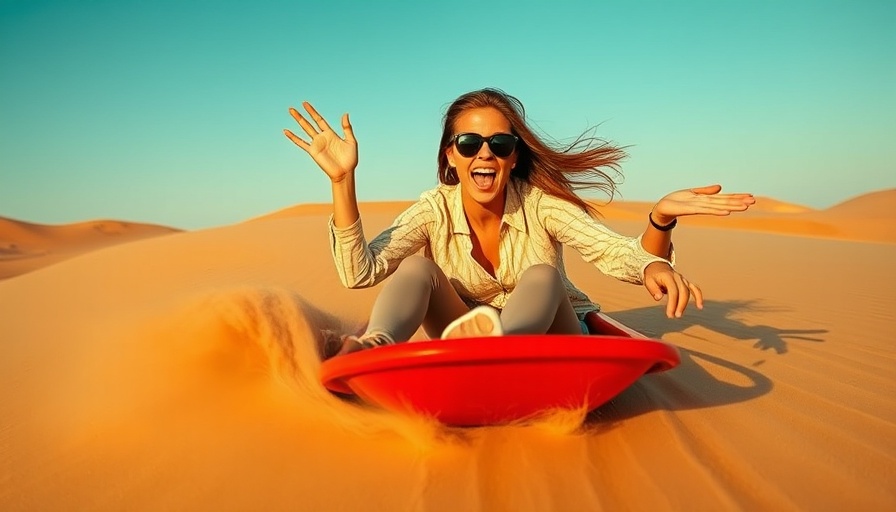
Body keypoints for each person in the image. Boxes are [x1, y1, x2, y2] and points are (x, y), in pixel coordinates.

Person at [284, 88, 754, 358]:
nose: (484, 153)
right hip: (470, 334)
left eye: (500, 145)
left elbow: (618, 254)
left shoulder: (541, 206)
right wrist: (343, 181)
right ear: (451, 155)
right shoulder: (434, 208)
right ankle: (376, 345)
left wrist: (660, 222)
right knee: (417, 271)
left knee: (543, 276)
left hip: (556, 340)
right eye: (469, 143)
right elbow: (358, 272)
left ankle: (504, 347)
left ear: (513, 158)